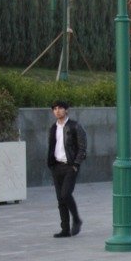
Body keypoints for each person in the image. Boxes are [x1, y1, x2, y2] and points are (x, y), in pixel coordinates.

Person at [46, 100, 87, 238]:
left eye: (60, 108)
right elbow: (52, 147)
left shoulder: (75, 126)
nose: (57, 111)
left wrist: (76, 164)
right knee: (60, 199)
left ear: (66, 110)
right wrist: (51, 164)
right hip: (56, 166)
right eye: (55, 108)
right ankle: (65, 229)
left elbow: (82, 147)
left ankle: (76, 219)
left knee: (65, 194)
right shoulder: (53, 128)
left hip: (70, 166)